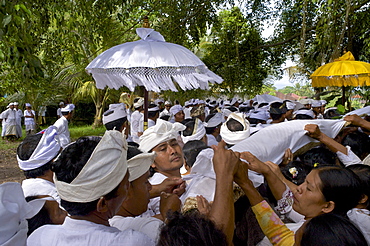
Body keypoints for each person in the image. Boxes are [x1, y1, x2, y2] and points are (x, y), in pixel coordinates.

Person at [27, 130, 154, 245]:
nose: (128, 190)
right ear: (102, 204)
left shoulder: (40, 237)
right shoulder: (132, 242)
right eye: (126, 185)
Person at [109, 147, 181, 242]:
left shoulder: (106, 223)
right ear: (127, 189)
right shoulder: (149, 229)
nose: (150, 187)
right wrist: (171, 216)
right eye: (146, 182)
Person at [139, 119, 187, 217]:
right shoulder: (157, 189)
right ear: (151, 162)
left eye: (174, 144)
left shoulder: (188, 178)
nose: (173, 150)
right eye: (163, 149)